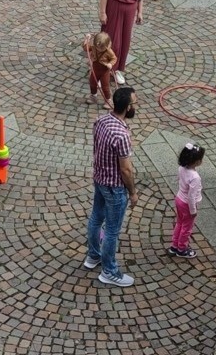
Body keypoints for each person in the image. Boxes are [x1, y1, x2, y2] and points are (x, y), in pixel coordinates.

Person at [84, 86, 138, 287]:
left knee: (96, 218)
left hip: (99, 179)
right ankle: (109, 271)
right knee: (112, 230)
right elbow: (126, 170)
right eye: (135, 103)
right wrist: (132, 192)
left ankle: (93, 256)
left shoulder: (101, 121)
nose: (136, 107)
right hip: (115, 187)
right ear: (128, 107)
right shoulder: (122, 135)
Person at [99, 0, 143, 84]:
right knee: (111, 41)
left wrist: (140, 12)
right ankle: (102, 71)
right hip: (114, 9)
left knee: (124, 41)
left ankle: (117, 69)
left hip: (129, 11)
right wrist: (102, 12)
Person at [169, 142, 204, 258]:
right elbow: (191, 196)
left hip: (179, 199)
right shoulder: (195, 177)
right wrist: (193, 210)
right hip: (186, 204)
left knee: (179, 223)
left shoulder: (181, 168)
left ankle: (174, 245)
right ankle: (182, 248)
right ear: (197, 161)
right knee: (187, 227)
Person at [83, 30, 117, 107]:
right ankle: (93, 96)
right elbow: (86, 48)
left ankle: (108, 100)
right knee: (92, 83)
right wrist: (87, 39)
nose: (99, 50)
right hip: (95, 69)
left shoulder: (109, 51)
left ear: (107, 45)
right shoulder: (94, 47)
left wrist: (110, 64)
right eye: (97, 48)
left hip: (104, 71)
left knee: (105, 86)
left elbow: (114, 58)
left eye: (101, 49)